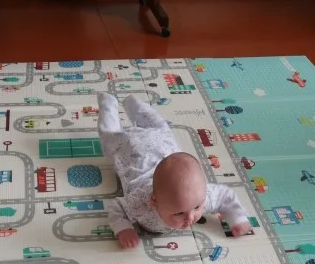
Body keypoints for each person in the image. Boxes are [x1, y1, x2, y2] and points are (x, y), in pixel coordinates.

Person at [97, 93, 252, 249]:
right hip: (131, 150)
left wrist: (238, 218)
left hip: (161, 142)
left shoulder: (199, 197)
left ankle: (133, 102)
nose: (190, 218)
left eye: (197, 208)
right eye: (179, 213)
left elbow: (225, 195)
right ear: (154, 202)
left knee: (158, 126)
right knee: (110, 136)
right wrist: (124, 229)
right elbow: (117, 207)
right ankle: (108, 104)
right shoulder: (141, 203)